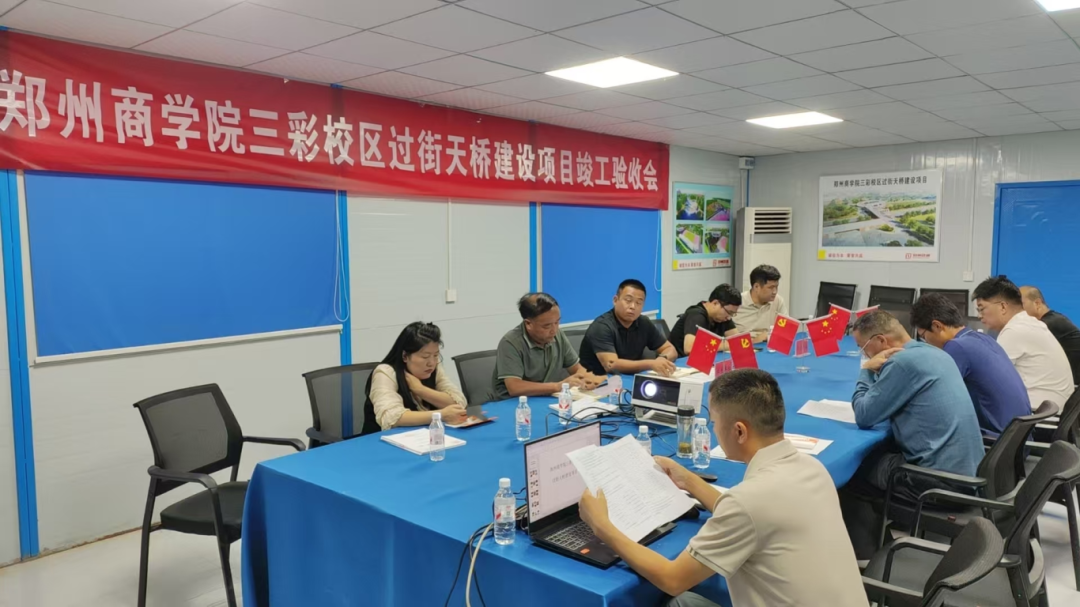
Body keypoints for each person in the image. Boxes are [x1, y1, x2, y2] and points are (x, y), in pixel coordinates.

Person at [577, 369, 866, 607]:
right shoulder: (811, 467)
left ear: (739, 431)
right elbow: (754, 517)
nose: (713, 430)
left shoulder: (748, 502)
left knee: (676, 599)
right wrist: (688, 480)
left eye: (714, 423)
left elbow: (673, 578)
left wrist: (603, 526)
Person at [841, 310, 984, 559]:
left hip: (939, 483)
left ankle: (870, 559)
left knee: (849, 473)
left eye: (863, 348)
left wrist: (866, 370)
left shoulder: (901, 363)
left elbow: (864, 415)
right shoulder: (935, 353)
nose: (864, 354)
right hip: (969, 473)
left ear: (881, 341)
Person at [911, 293, 1031, 436]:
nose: (925, 343)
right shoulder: (982, 338)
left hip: (995, 441)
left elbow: (933, 396)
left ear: (937, 326)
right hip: (1016, 438)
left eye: (923, 336)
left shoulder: (956, 347)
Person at [974, 276, 1074, 410]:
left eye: (981, 309)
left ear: (1002, 306)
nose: (979, 316)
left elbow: (990, 379)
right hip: (1053, 410)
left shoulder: (1014, 330)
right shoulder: (1030, 323)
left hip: (1040, 416)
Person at [490, 292, 605, 401]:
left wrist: (587, 379)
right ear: (528, 324)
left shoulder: (557, 335)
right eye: (547, 326)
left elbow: (577, 369)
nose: (554, 330)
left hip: (546, 398)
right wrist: (557, 386)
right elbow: (514, 387)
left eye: (557, 322)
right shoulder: (511, 342)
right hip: (514, 403)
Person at [364, 322, 468, 435]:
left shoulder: (434, 368)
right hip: (381, 440)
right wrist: (440, 415)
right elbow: (391, 418)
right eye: (425, 356)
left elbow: (459, 402)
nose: (431, 363)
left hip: (421, 436)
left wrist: (420, 389)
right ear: (405, 356)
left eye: (435, 355)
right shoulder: (385, 372)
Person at [579, 279, 678, 377]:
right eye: (628, 300)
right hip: (596, 381)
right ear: (615, 300)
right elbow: (611, 365)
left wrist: (662, 358)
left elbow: (670, 349)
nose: (633, 306)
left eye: (638, 303)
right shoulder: (602, 326)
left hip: (629, 378)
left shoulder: (644, 322)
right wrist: (651, 364)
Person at [1021, 285, 1080, 385]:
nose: (1016, 309)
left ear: (1037, 303)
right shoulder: (1053, 320)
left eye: (1020, 304)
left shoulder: (1049, 324)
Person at [667, 284, 742, 357]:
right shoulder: (696, 315)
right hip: (680, 361)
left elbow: (738, 342)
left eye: (732, 314)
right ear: (715, 303)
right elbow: (690, 348)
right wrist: (726, 344)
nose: (729, 318)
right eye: (729, 312)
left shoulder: (723, 317)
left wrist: (732, 344)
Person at [733, 264, 787, 340]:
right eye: (771, 287)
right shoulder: (736, 303)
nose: (775, 292)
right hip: (744, 345)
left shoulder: (778, 301)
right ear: (756, 287)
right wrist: (756, 340)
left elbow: (786, 331)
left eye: (776, 287)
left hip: (770, 344)